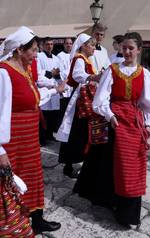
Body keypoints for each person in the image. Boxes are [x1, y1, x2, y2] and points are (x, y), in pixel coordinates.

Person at [0, 26, 65, 235]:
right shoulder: (2, 73)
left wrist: (52, 90)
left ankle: (35, 218)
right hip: (12, 141)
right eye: (33, 50)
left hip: (29, 140)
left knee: (32, 178)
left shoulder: (23, 71)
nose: (36, 54)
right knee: (9, 183)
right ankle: (7, 223)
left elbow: (30, 99)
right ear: (18, 50)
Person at [93, 32, 150, 227]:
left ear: (139, 50)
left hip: (134, 122)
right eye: (124, 48)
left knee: (134, 164)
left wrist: (148, 124)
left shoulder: (144, 73)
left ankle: (128, 211)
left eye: (131, 48)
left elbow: (149, 103)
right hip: (116, 120)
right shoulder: (112, 70)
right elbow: (100, 99)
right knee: (116, 164)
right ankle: (112, 202)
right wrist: (110, 116)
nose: (127, 51)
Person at [56, 34, 99, 178]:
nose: (94, 48)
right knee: (76, 131)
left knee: (78, 132)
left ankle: (73, 162)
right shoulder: (79, 58)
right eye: (91, 45)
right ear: (83, 46)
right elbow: (77, 75)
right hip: (80, 102)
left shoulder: (85, 59)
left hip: (83, 100)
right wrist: (93, 77)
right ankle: (70, 164)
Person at [37, 37, 61, 143]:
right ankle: (41, 138)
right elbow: (40, 73)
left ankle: (50, 135)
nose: (49, 46)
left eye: (51, 44)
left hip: (54, 89)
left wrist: (56, 75)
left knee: (52, 115)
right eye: (47, 44)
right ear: (43, 45)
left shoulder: (56, 58)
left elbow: (59, 73)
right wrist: (51, 73)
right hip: (44, 88)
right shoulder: (39, 56)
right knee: (44, 115)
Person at [56, 37, 74, 125]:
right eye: (67, 43)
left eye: (70, 43)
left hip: (73, 86)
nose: (69, 45)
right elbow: (62, 72)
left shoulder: (75, 55)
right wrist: (71, 75)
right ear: (64, 45)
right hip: (65, 86)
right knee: (63, 110)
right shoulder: (60, 56)